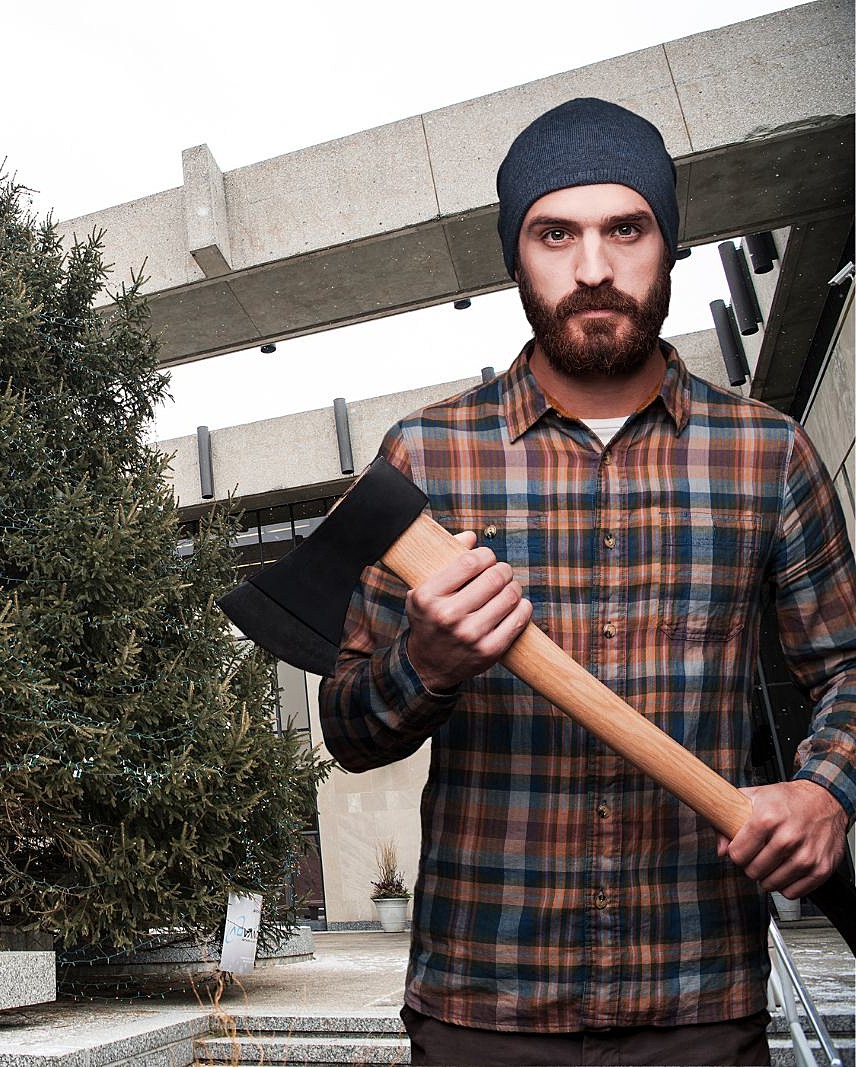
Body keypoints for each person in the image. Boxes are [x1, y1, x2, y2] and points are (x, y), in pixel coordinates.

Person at [316, 97, 856, 1066]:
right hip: (481, 1004)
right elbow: (349, 727)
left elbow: (848, 669)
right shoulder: (426, 458)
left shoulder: (766, 455)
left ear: (669, 243)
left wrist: (826, 789)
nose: (593, 266)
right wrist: (427, 660)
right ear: (515, 256)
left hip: (698, 996)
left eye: (625, 227)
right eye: (554, 232)